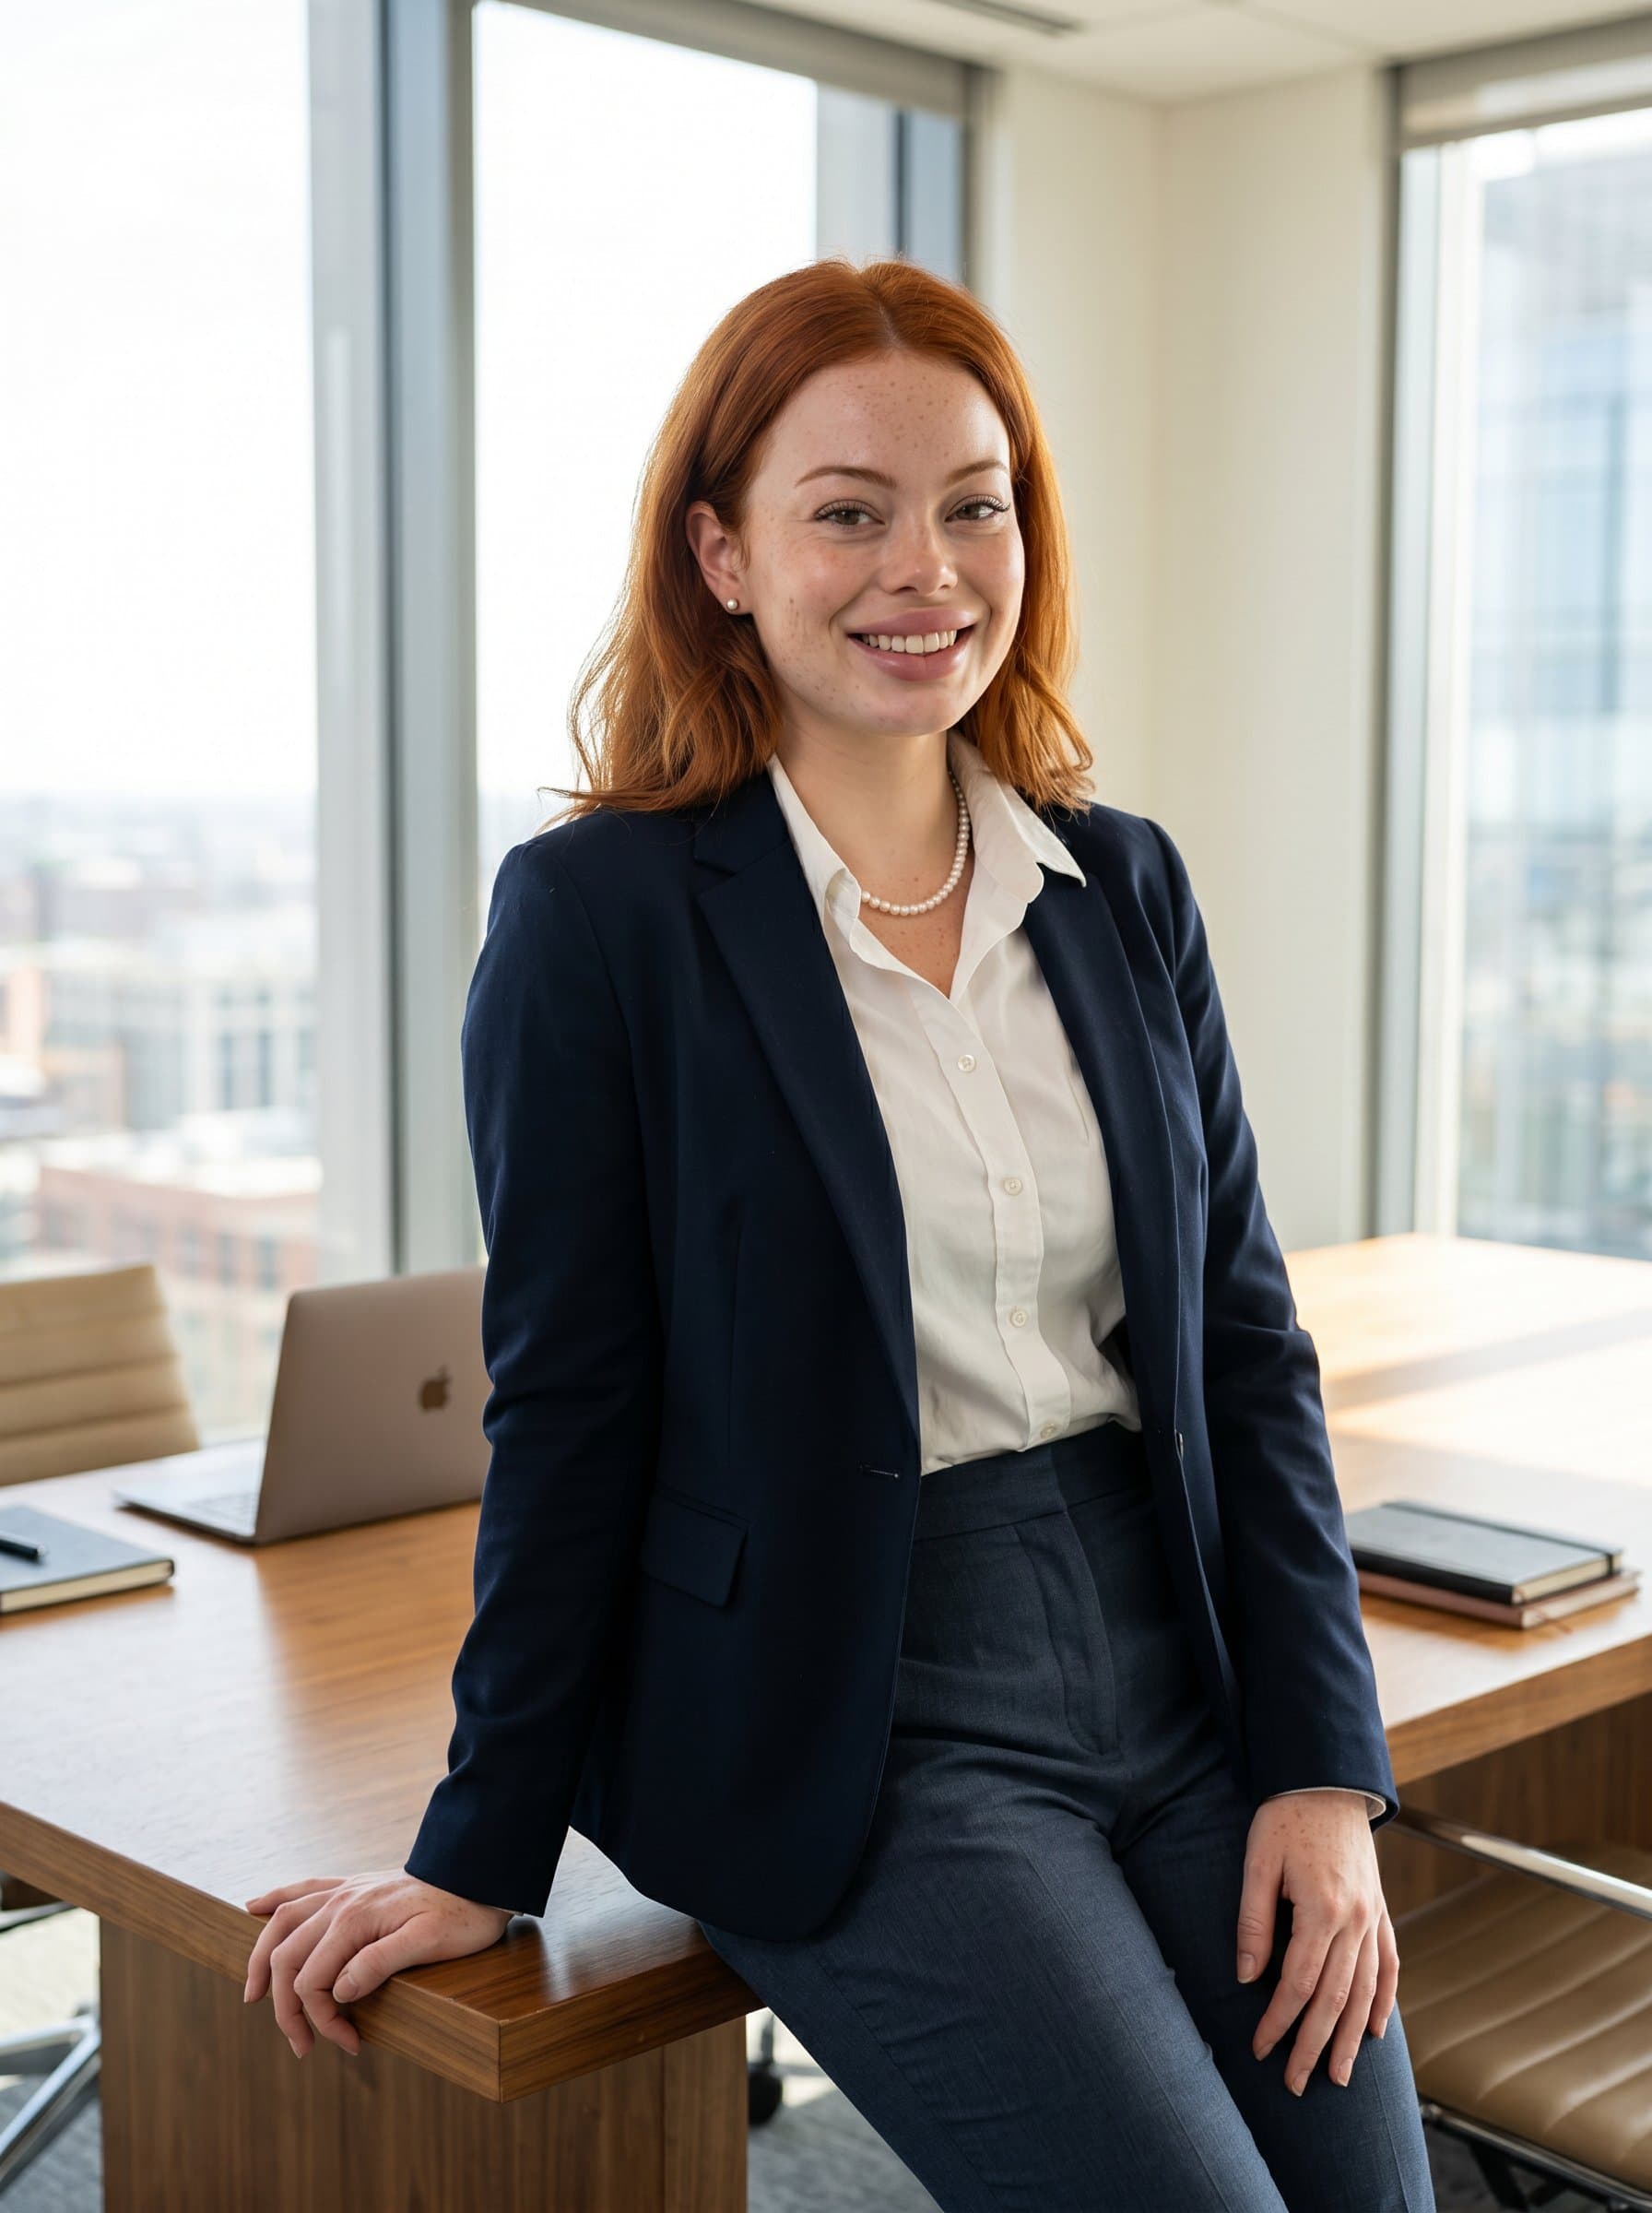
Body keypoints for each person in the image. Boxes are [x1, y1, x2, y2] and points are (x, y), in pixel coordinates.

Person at [242, 255, 1435, 2211]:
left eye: (975, 503)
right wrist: (481, 1848)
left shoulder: (1117, 886)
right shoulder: (599, 922)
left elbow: (1238, 1343)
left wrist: (1323, 1769)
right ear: (720, 555)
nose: (927, 567)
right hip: (855, 1704)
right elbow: (572, 1412)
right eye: (847, 512)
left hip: (1181, 1652)